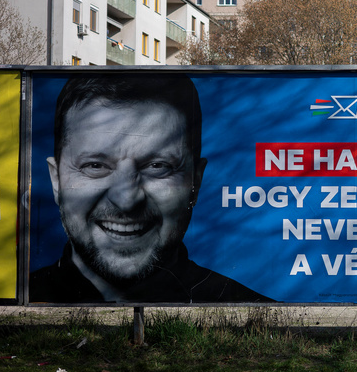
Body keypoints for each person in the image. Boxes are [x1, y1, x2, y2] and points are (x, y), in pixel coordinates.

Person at [29, 74, 271, 303]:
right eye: (95, 165)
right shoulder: (23, 299)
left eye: (158, 166)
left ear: (195, 182)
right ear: (56, 180)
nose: (126, 199)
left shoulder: (248, 310)